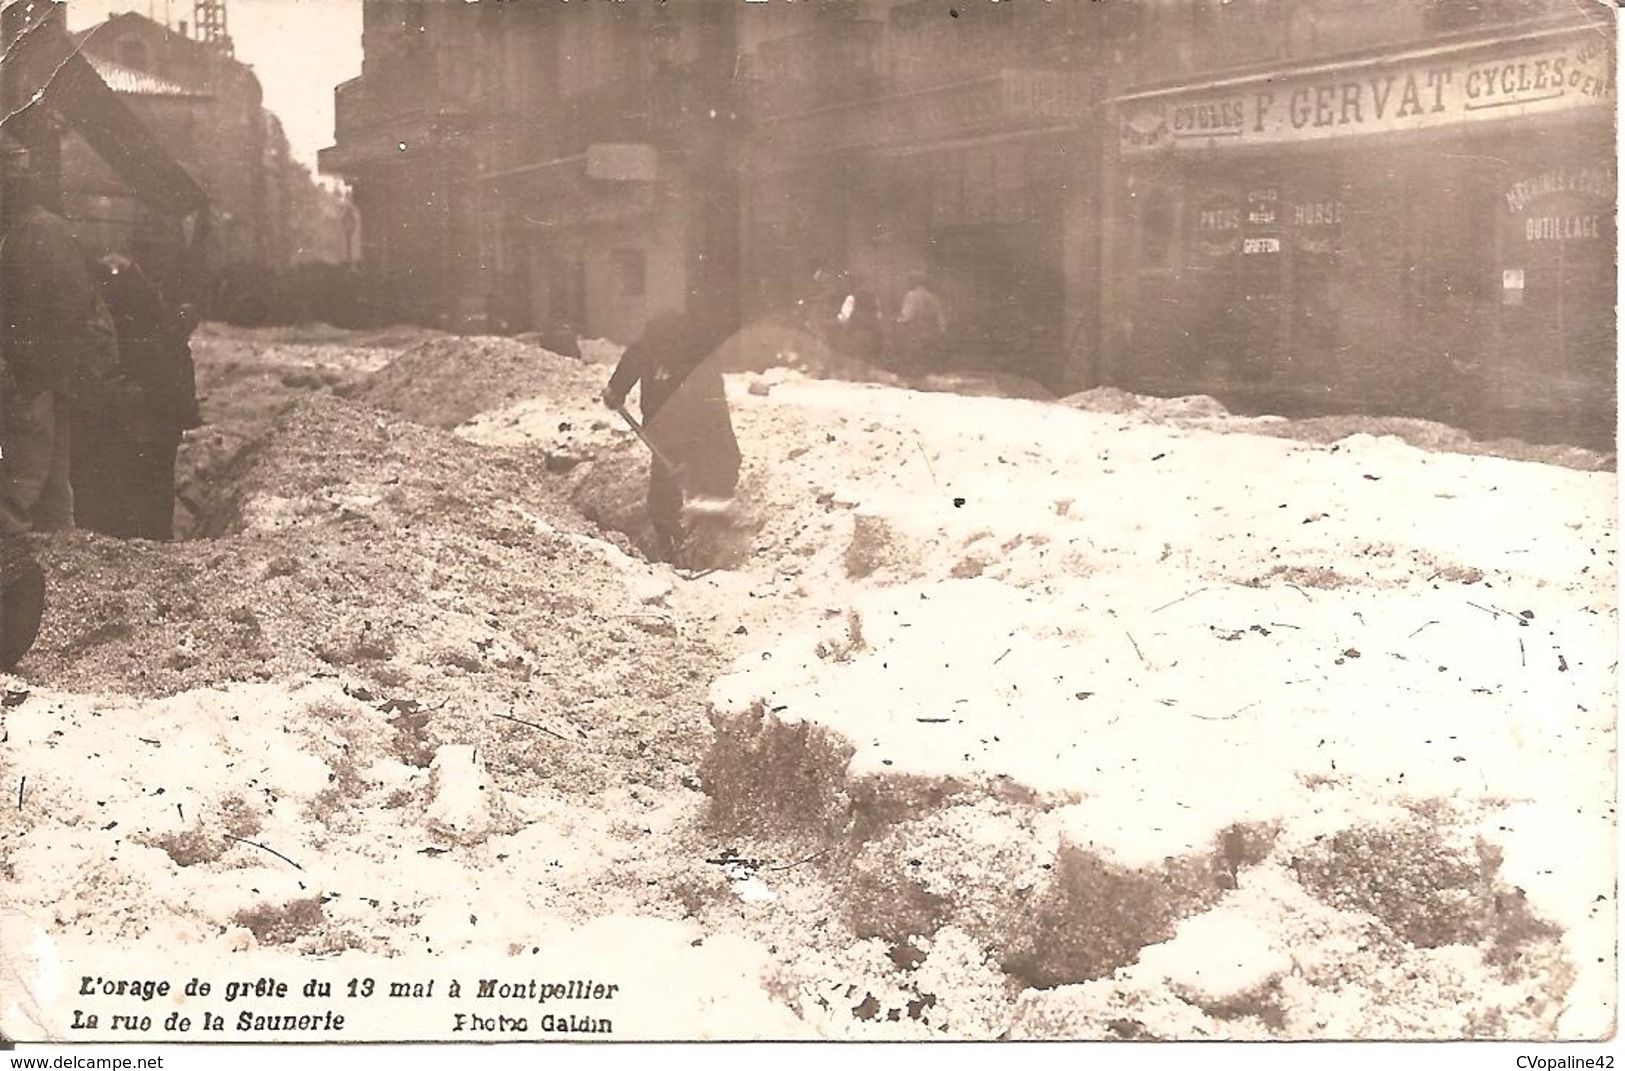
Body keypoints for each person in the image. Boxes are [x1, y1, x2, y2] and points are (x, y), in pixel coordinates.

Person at [0, 138, 119, 668]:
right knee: (48, 495)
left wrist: (31, 372)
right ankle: (51, 609)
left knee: (17, 498)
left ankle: (20, 612)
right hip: (38, 378)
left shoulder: (34, 233)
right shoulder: (33, 229)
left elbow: (59, 310)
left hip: (27, 382)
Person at [71, 253, 202, 541]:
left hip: (144, 416)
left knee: (137, 491)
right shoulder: (155, 311)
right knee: (147, 494)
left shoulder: (136, 311)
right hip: (152, 414)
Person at [601, 310, 741, 563]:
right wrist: (615, 392)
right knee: (670, 481)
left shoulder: (693, 362)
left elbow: (718, 422)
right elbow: (621, 381)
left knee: (683, 480)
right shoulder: (655, 350)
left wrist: (615, 393)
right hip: (669, 429)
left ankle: (691, 540)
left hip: (687, 426)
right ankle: (676, 544)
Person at [895, 271, 947, 373]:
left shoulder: (911, 295)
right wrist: (941, 329)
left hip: (916, 331)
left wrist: (898, 321)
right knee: (927, 357)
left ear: (915, 282)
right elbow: (940, 315)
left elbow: (908, 315)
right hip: (931, 331)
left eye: (910, 281)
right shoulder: (933, 297)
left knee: (912, 356)